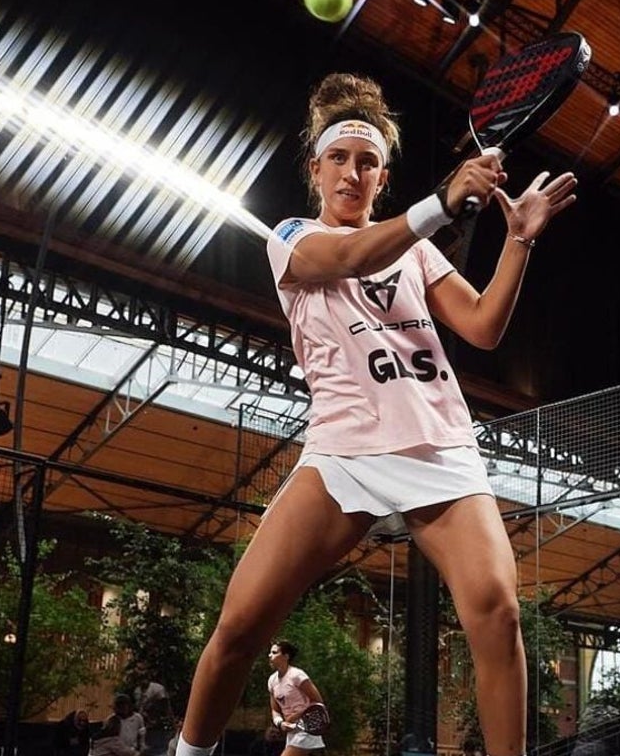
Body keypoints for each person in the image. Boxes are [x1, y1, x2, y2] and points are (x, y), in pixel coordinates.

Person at [176, 73, 577, 756]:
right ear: (316, 169)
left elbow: (481, 328)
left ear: (380, 177)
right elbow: (353, 254)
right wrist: (444, 202)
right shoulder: (293, 239)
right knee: (241, 628)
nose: (351, 172)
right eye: (338, 158)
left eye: (367, 163)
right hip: (342, 453)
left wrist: (520, 241)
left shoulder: (416, 252)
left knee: (497, 610)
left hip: (440, 447)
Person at [266, 641, 325, 756]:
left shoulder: (297, 675)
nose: (269, 655)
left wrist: (296, 715)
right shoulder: (272, 681)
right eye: (270, 652)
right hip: (292, 732)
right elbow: (275, 710)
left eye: (274, 652)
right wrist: (280, 723)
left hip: (306, 729)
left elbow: (318, 702)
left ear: (286, 656)